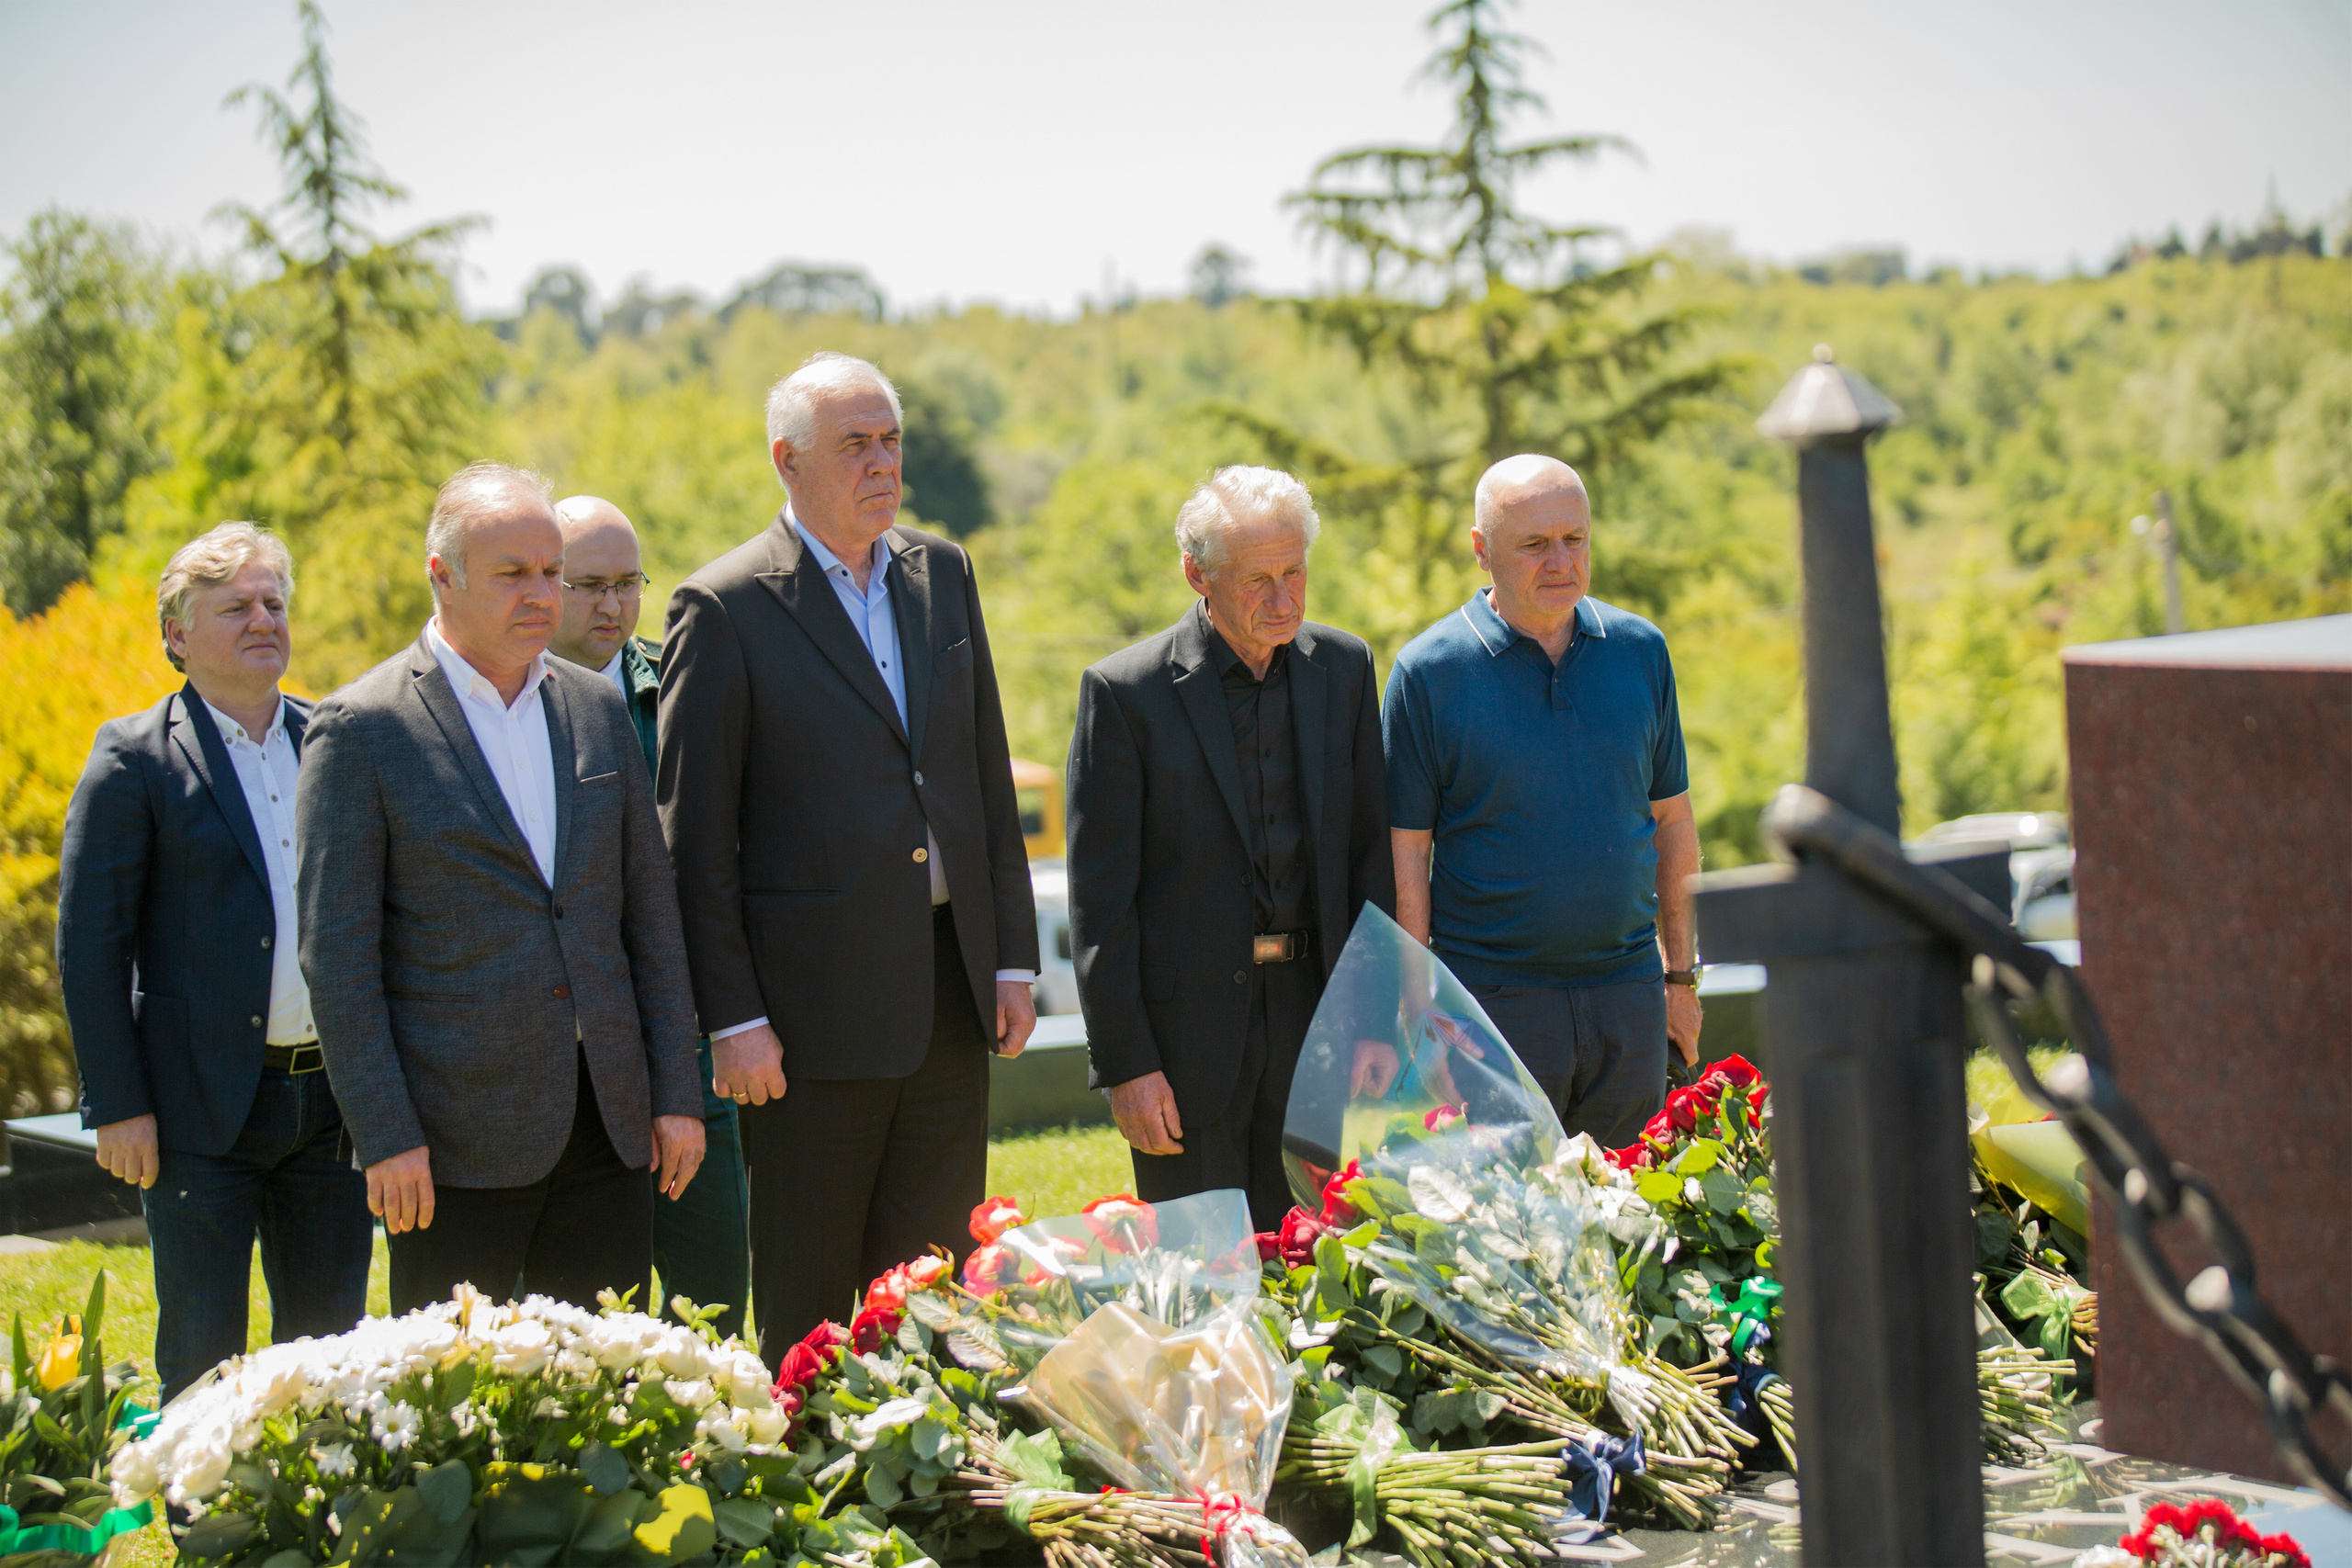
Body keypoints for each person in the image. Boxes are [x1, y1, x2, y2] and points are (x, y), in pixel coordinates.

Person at [661, 351, 1038, 1360]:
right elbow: (695, 844)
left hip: (951, 999)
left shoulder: (942, 572)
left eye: (890, 440)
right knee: (814, 1297)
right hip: (805, 1027)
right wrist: (733, 1020)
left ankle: (927, 1491)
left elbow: (981, 776)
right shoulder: (724, 607)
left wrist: (1010, 957)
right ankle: (812, 1493)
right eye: (853, 445)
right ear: (787, 461)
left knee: (933, 1288)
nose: (882, 464)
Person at [297, 462, 706, 1314]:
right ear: (441, 575)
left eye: (551, 570)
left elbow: (650, 920)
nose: (542, 593)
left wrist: (676, 1095)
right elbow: (338, 959)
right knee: (462, 1405)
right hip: (451, 1147)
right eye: (513, 572)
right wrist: (386, 1135)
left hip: (612, 1129)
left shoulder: (597, 709)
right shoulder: (361, 729)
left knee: (610, 1391)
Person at [56, 523, 371, 1401]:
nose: (262, 618)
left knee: (329, 1355)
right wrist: (117, 1105)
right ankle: (207, 1536)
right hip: (197, 1111)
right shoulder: (134, 758)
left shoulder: (337, 740)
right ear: (177, 635)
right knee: (204, 1356)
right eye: (234, 606)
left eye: (274, 602)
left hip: (331, 1108)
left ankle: (306, 1532)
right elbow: (90, 946)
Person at [1067, 466, 1395, 1233]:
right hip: (1184, 1050)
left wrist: (1379, 1019)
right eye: (1257, 580)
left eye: (1294, 573)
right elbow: (1100, 903)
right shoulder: (1125, 693)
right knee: (1205, 1284)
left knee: (1327, 1279)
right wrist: (1127, 1065)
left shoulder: (1344, 670)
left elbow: (1368, 861)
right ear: (1197, 574)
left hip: (1325, 1028)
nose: (1282, 599)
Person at [1382, 455, 1702, 1148]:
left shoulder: (1640, 650)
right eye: (1534, 543)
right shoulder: (1427, 672)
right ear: (1481, 549)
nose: (1561, 560)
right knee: (1512, 1232)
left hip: (1629, 996)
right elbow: (1407, 849)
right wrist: (1416, 1006)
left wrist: (1680, 978)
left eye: (1575, 538)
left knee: (1634, 1222)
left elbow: (1673, 821)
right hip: (1491, 1007)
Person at [546, 493, 751, 1340]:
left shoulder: (678, 687)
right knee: (579, 1311)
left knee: (712, 1298)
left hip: (687, 1039)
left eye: (629, 584)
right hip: (564, 1055)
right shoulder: (505, 708)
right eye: (589, 584)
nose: (612, 605)